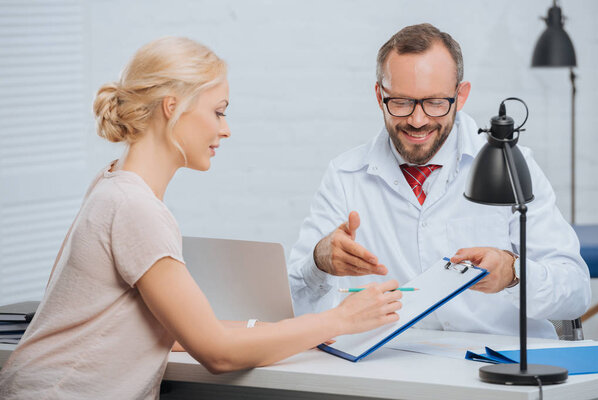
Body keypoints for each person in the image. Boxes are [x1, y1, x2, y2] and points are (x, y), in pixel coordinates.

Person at [0, 37, 403, 400]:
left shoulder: (115, 185)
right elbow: (217, 353)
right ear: (172, 107)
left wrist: (296, 331)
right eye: (218, 112)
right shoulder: (134, 208)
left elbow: (179, 331)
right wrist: (340, 318)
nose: (225, 130)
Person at [288, 23, 591, 339]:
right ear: (380, 96)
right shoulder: (344, 177)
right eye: (401, 102)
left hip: (497, 369)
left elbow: (576, 292)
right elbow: (294, 303)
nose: (417, 121)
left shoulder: (512, 167)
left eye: (434, 103)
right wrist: (319, 261)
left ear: (461, 96)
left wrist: (513, 272)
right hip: (389, 370)